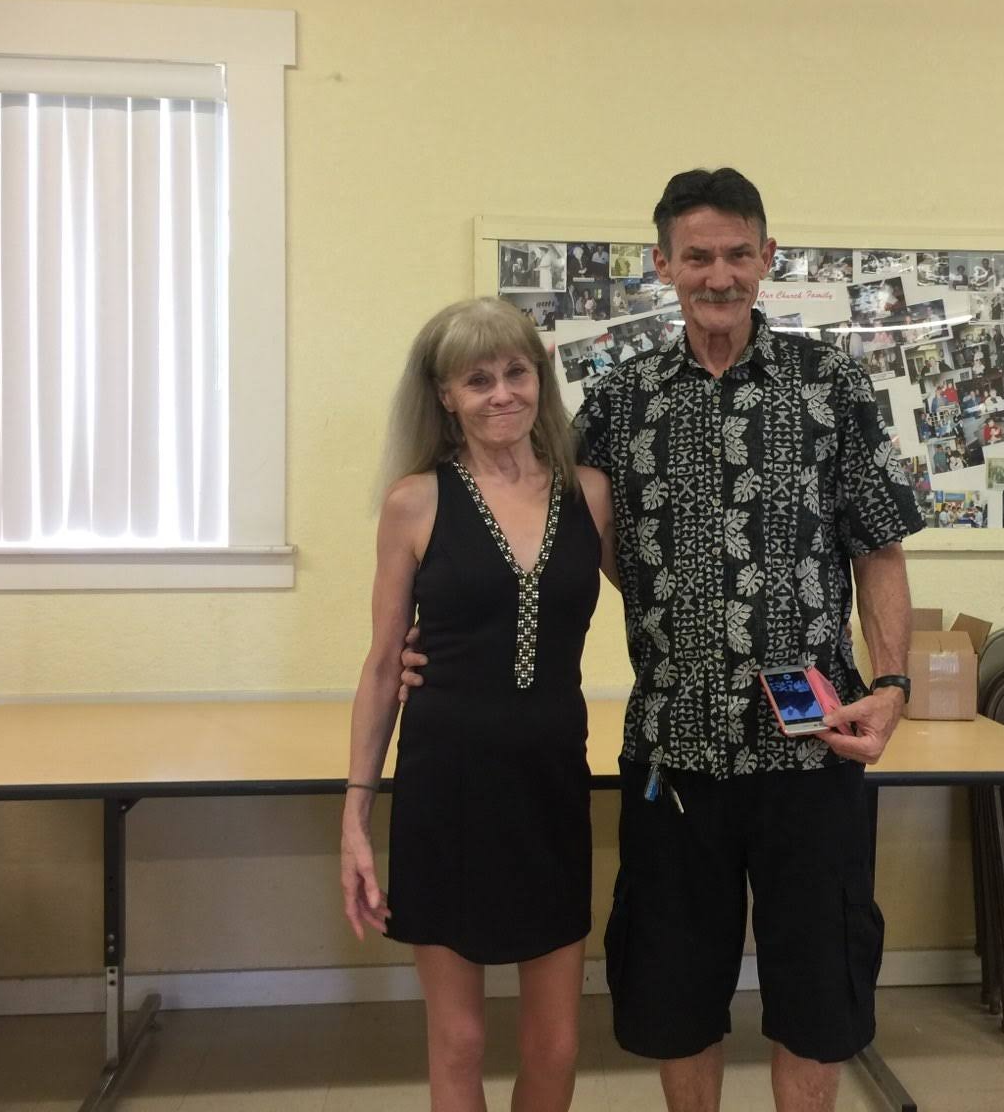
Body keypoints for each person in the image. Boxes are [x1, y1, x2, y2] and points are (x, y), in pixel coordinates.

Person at [409, 169, 922, 1112]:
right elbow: (545, 538)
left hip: (815, 750)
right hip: (672, 754)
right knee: (675, 993)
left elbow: (879, 545)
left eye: (738, 254)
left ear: (768, 258)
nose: (719, 275)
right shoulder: (620, 401)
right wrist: (438, 631)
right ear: (664, 265)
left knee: (818, 992)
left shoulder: (832, 385)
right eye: (697, 257)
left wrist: (891, 684)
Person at [341, 297, 616, 1112]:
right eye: (478, 379)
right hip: (445, 788)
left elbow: (664, 607)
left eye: (516, 372)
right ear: (445, 396)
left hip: (550, 785)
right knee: (458, 1040)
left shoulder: (591, 494)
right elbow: (384, 664)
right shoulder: (415, 501)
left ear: (541, 378)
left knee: (555, 1045)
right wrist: (355, 814)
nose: (502, 394)